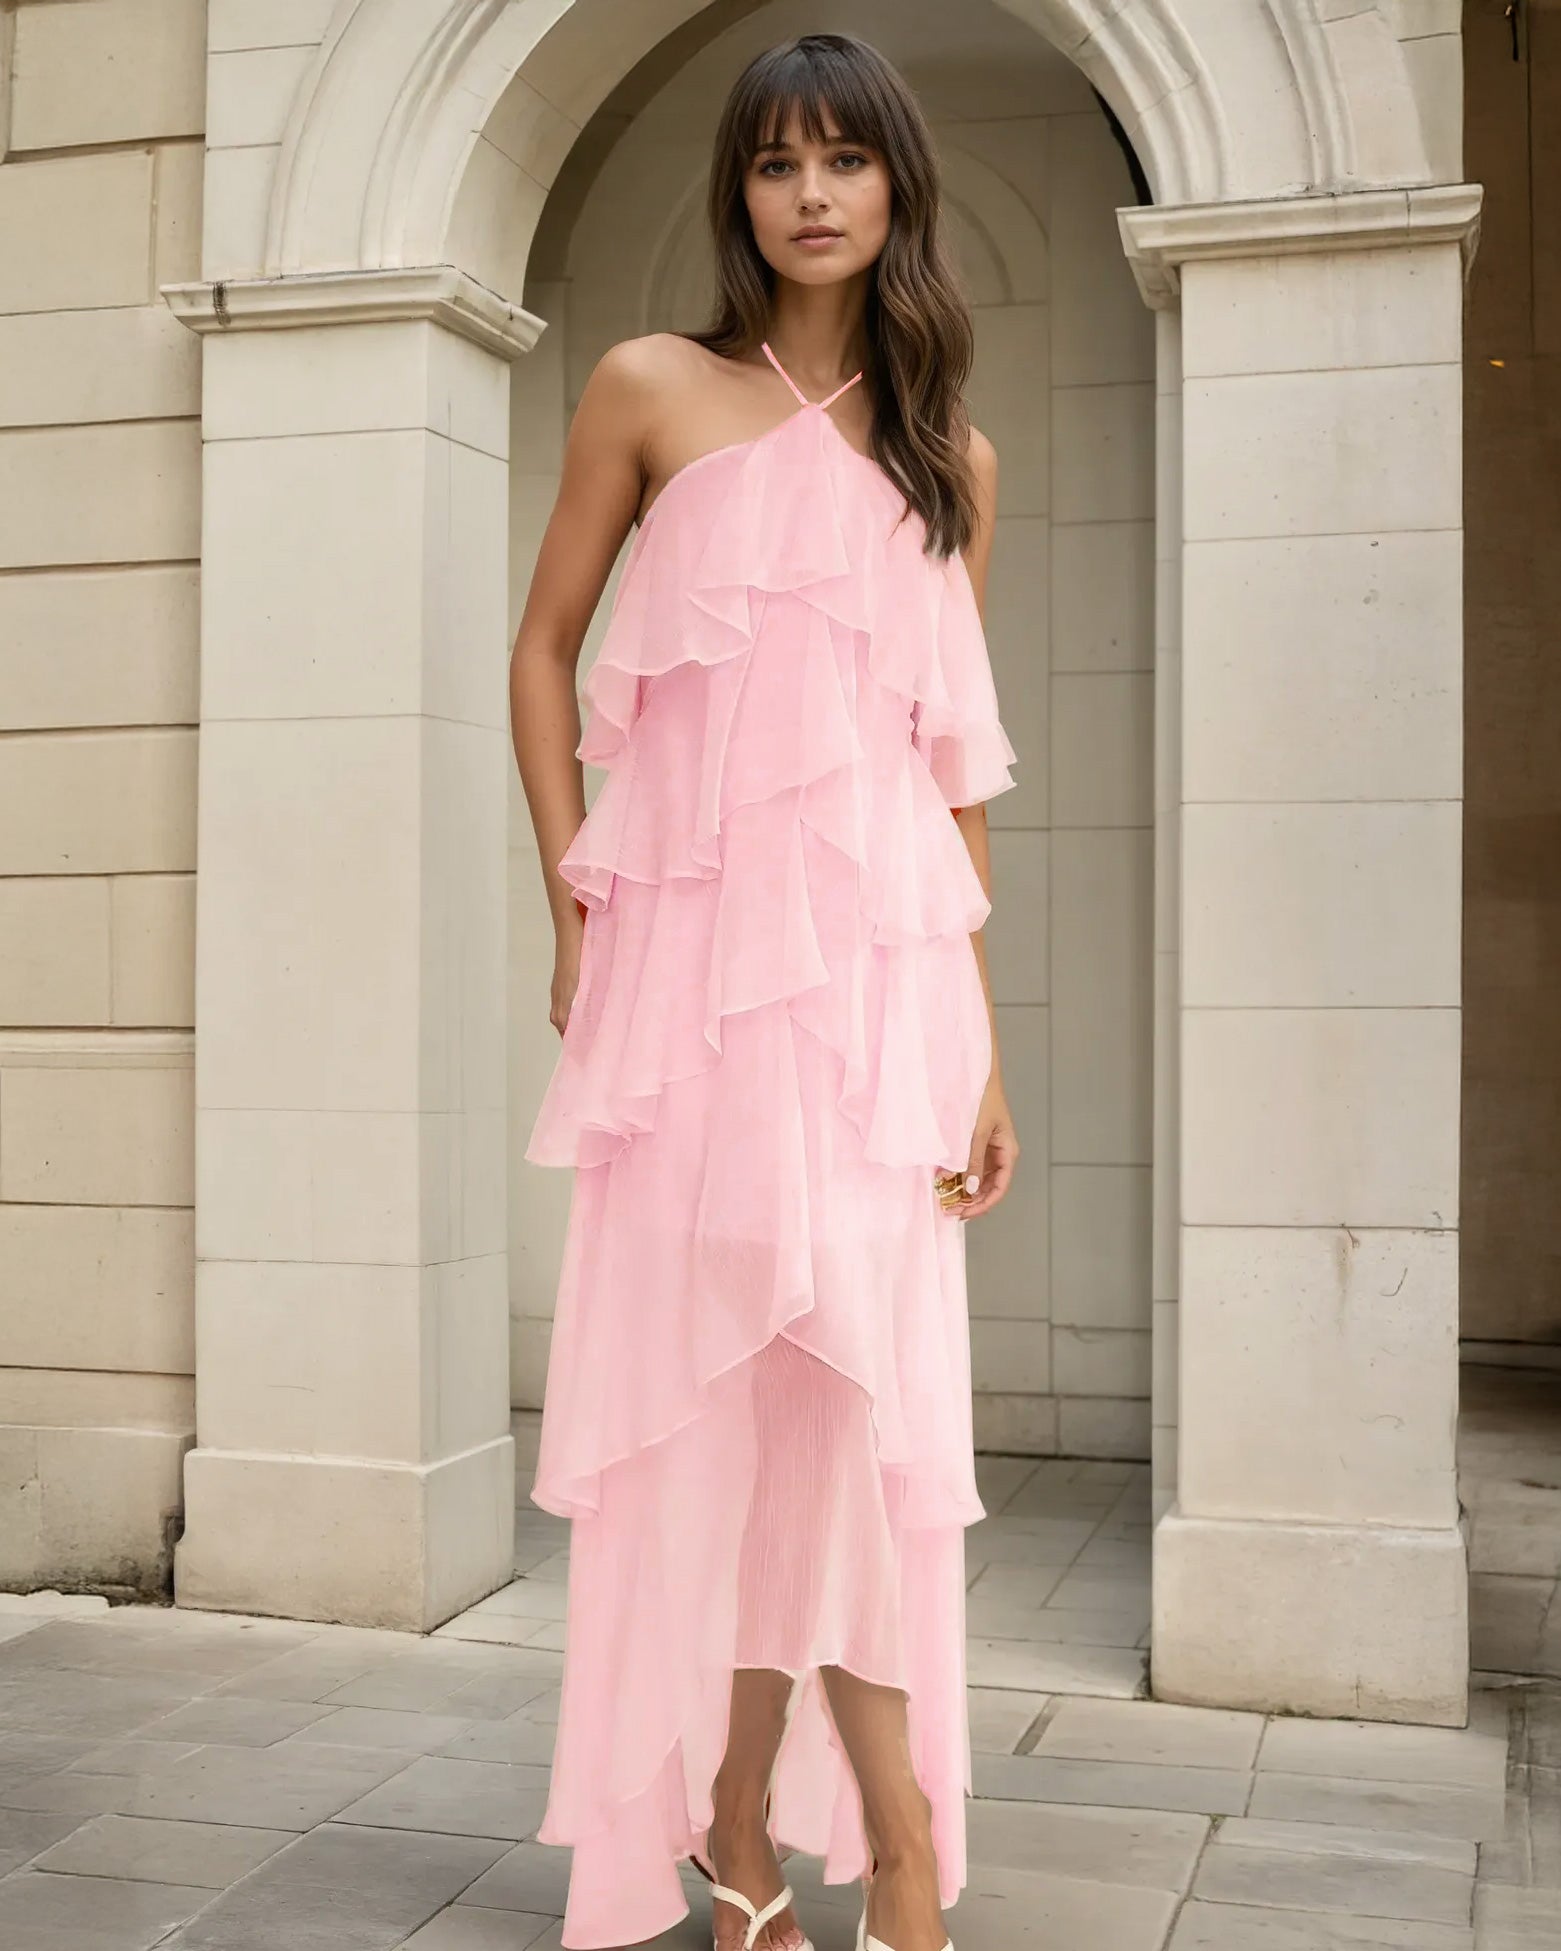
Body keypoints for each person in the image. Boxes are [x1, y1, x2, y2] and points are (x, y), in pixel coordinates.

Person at [509, 31, 1020, 1951]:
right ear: (738, 194)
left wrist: (980, 1053)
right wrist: (573, 908)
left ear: (897, 189)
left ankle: (855, 1834)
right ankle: (754, 1829)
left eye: (846, 163)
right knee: (722, 1402)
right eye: (775, 164)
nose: (811, 194)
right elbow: (544, 650)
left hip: (885, 1009)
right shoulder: (652, 388)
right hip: (688, 988)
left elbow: (947, 779)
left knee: (856, 1408)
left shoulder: (946, 457)